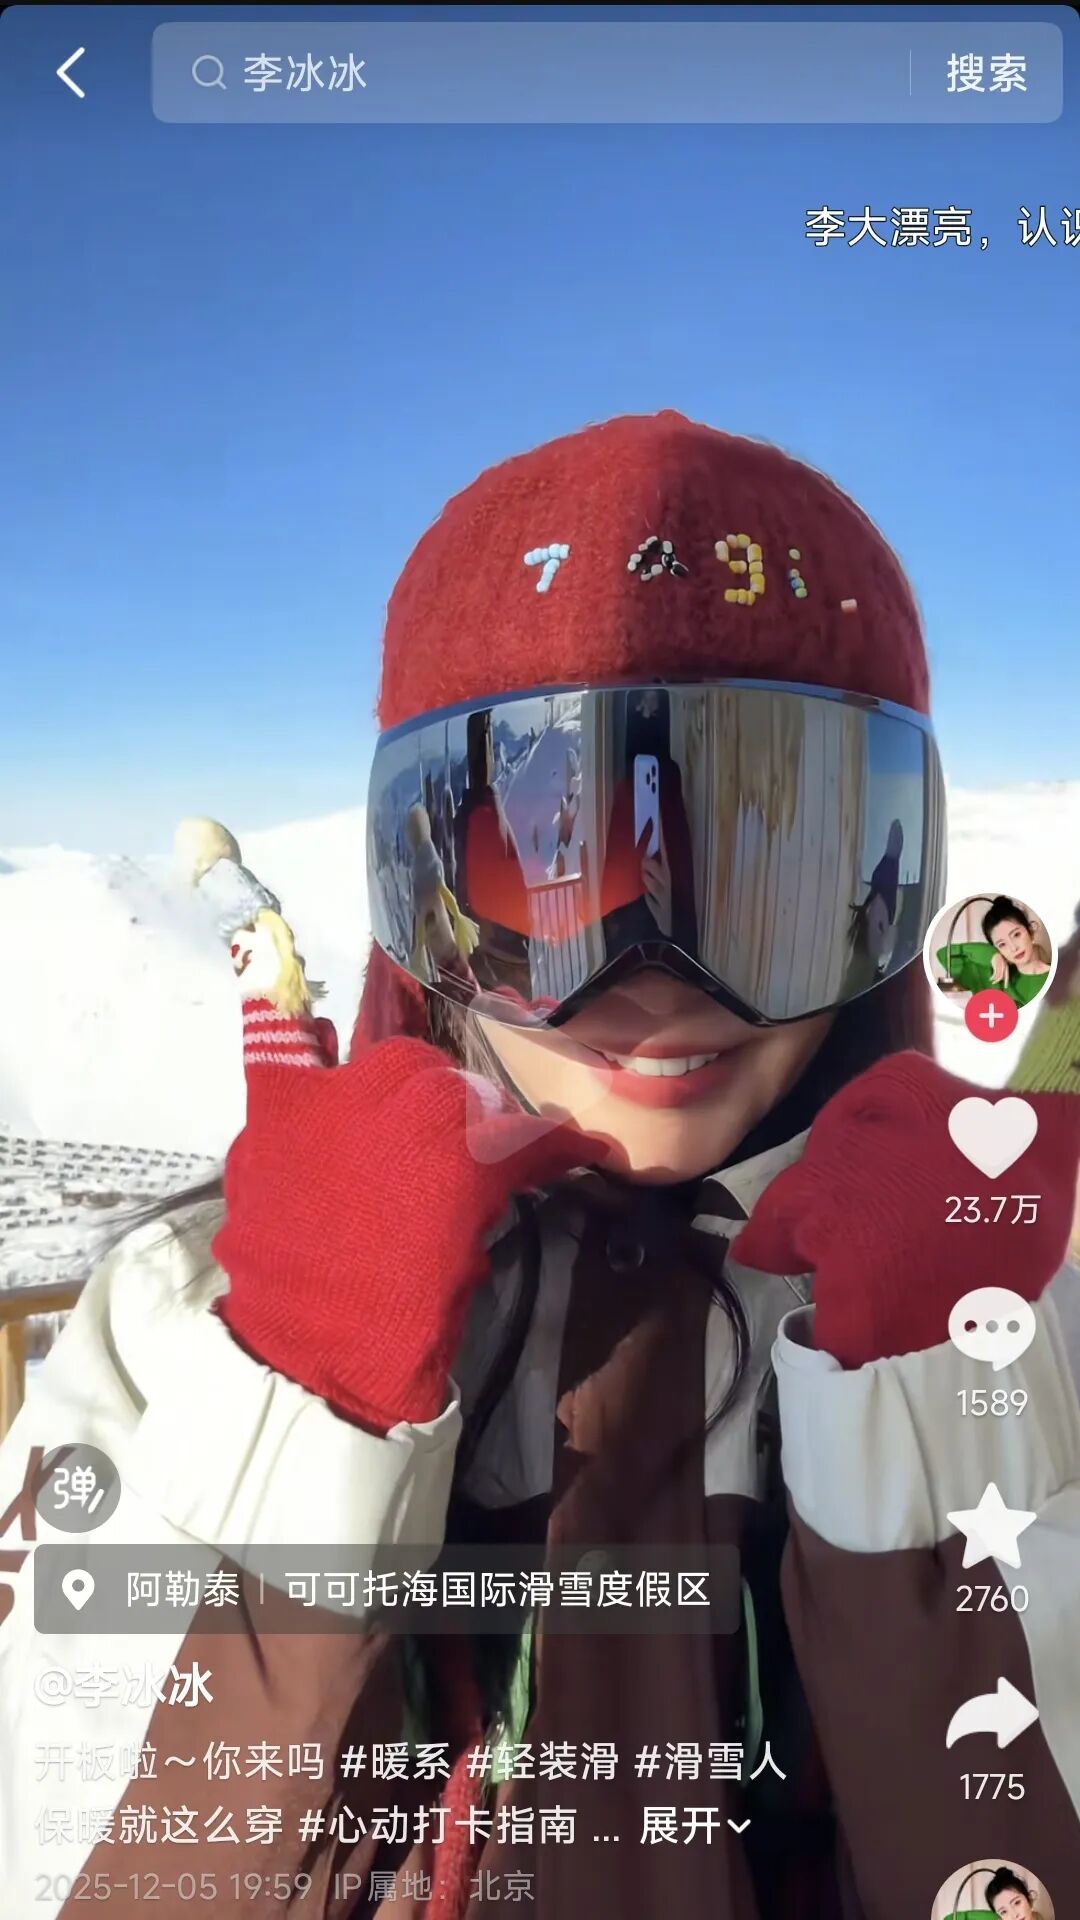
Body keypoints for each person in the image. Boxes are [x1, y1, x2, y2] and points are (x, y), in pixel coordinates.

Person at [2, 414, 1080, 1920]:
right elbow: (58, 1852)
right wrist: (300, 1392)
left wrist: (942, 1407)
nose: (654, 987)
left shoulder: (1023, 1318)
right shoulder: (190, 1310)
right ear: (422, 906)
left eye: (769, 868)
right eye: (545, 873)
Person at [937, 896, 1052, 1008]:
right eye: (1002, 944)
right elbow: (944, 954)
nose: (1013, 948)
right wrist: (992, 955)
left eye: (1016, 935)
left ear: (1030, 931)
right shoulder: (992, 976)